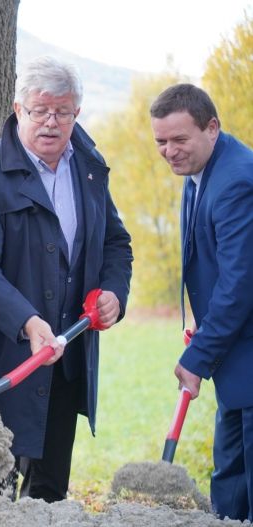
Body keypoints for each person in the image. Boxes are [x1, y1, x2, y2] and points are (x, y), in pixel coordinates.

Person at [0, 56, 133, 503]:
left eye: (63, 112)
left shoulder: (90, 167)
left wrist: (113, 293)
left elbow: (115, 243)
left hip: (65, 357)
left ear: (76, 114)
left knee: (48, 494)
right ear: (18, 109)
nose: (51, 122)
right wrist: (29, 323)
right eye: (40, 110)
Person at [150, 83, 253, 522]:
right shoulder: (202, 171)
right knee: (230, 475)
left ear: (212, 128)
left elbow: (240, 284)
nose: (170, 151)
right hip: (235, 360)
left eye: (179, 139)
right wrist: (204, 330)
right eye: (161, 142)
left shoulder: (236, 182)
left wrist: (198, 355)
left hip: (247, 352)